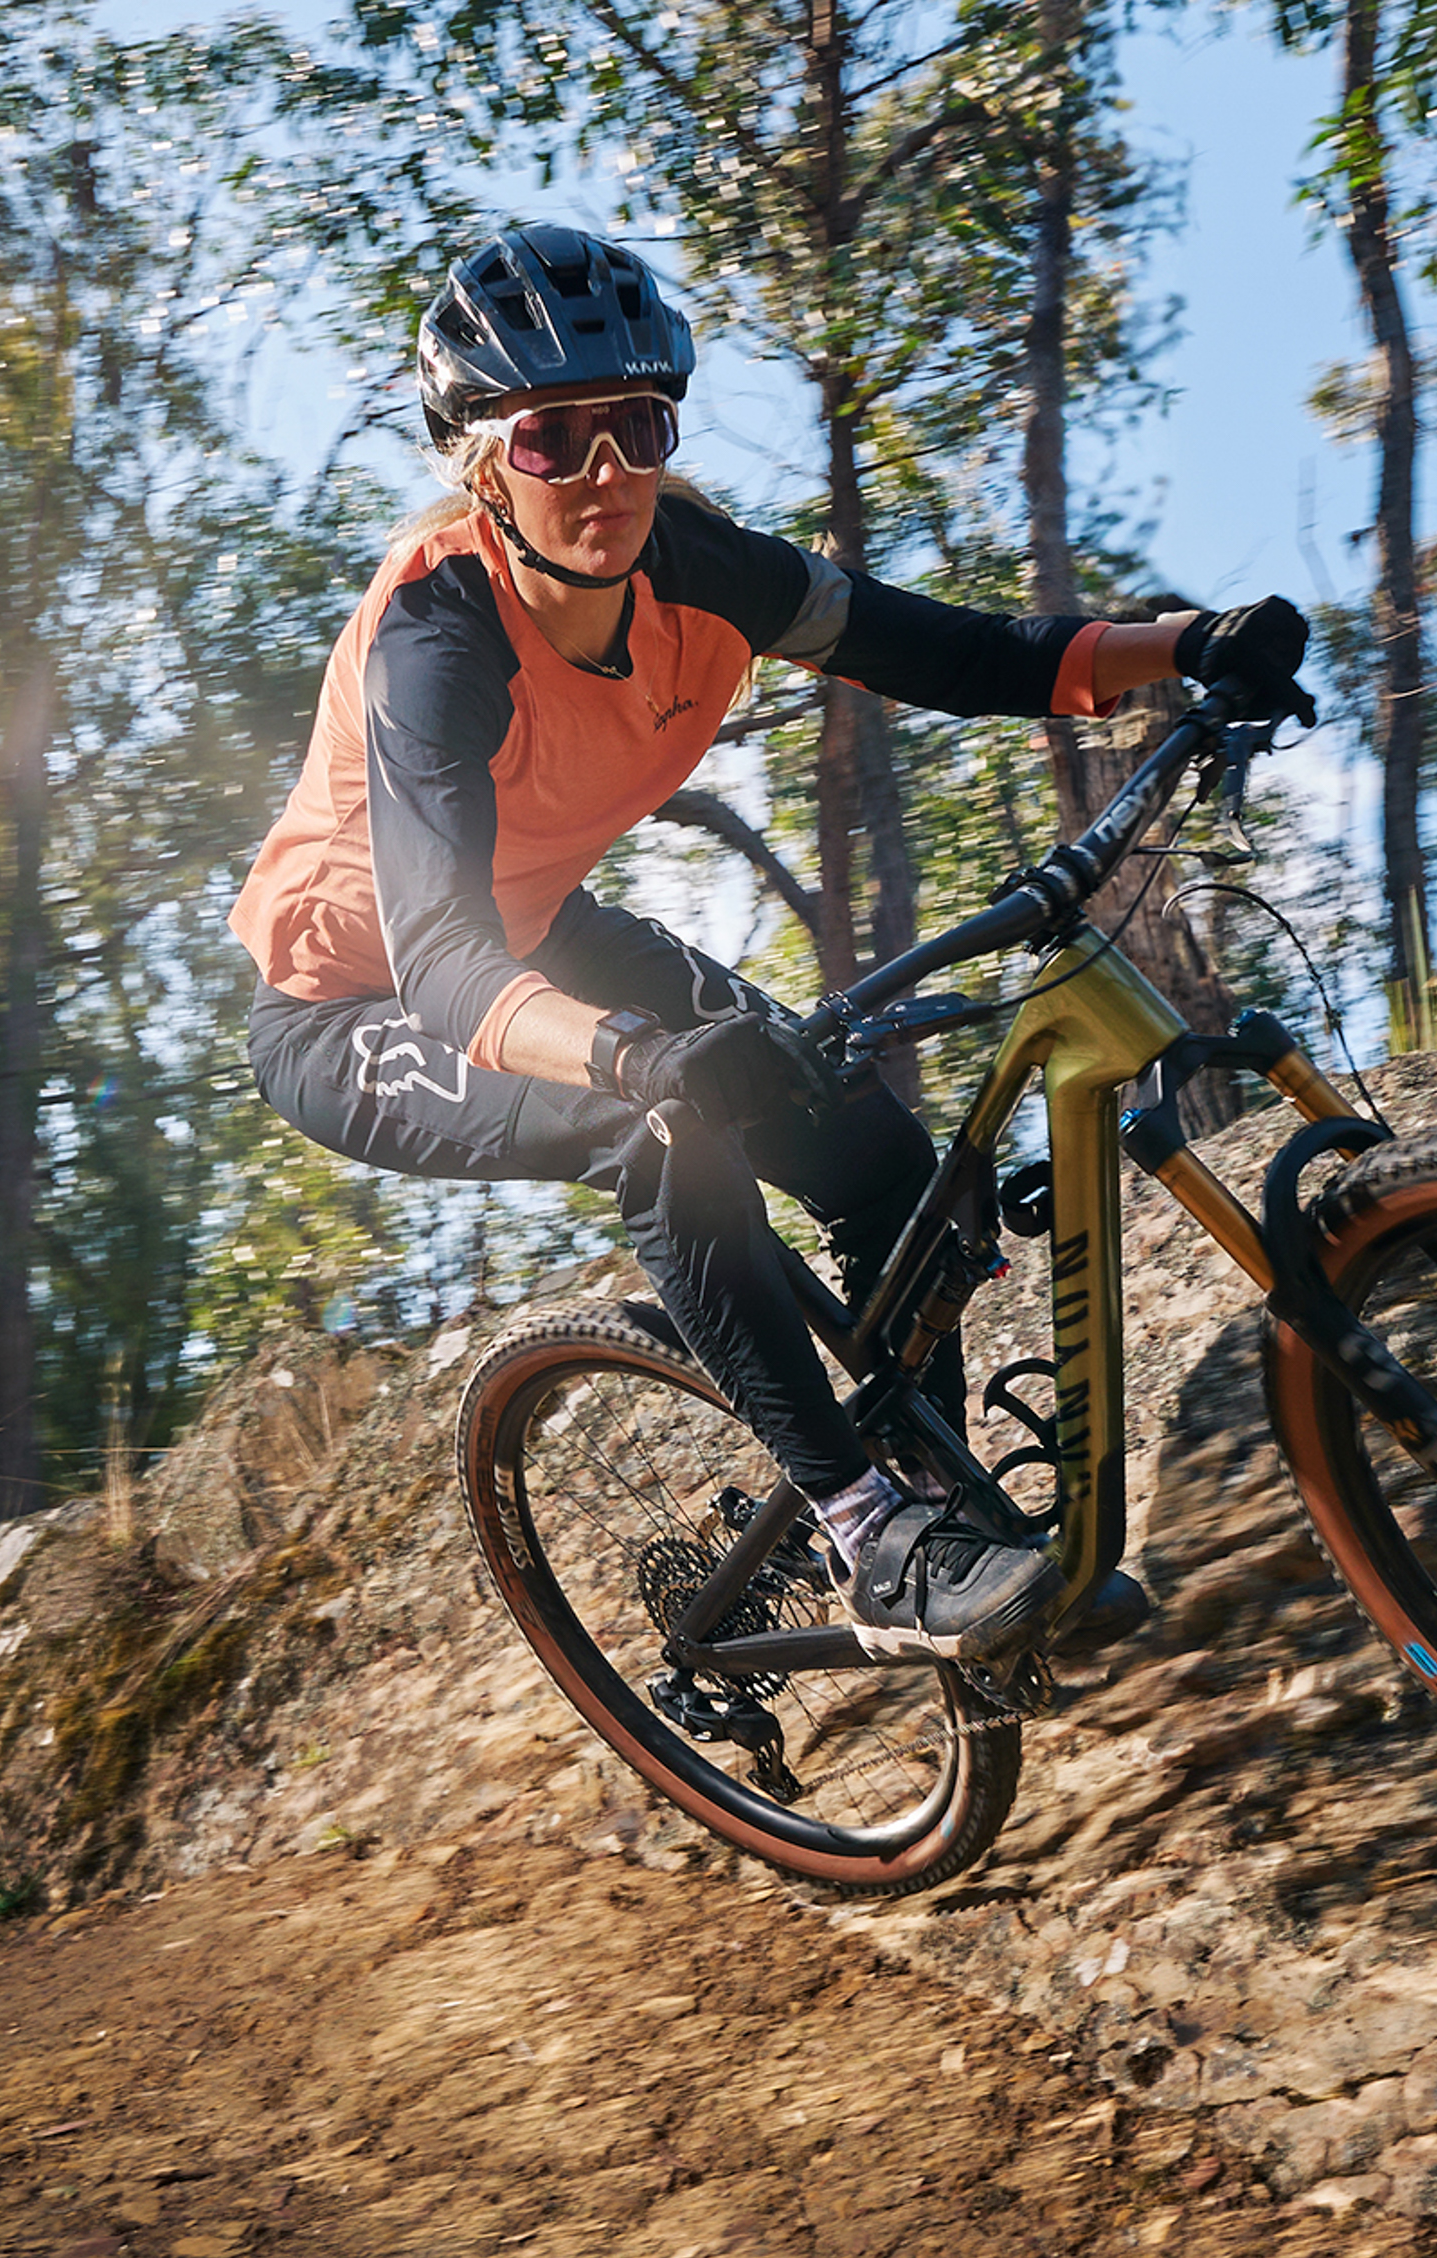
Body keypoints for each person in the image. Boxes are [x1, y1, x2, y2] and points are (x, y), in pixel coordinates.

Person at [229, 224, 1311, 1665]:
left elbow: (974, 657)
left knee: (881, 1164)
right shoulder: (439, 637)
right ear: (483, 460)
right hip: (359, 1002)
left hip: (541, 936)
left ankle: (939, 1490)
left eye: (638, 425)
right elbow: (437, 955)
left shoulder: (705, 569)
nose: (606, 469)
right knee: (658, 1128)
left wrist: (1189, 646)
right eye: (556, 439)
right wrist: (634, 1053)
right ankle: (871, 1532)